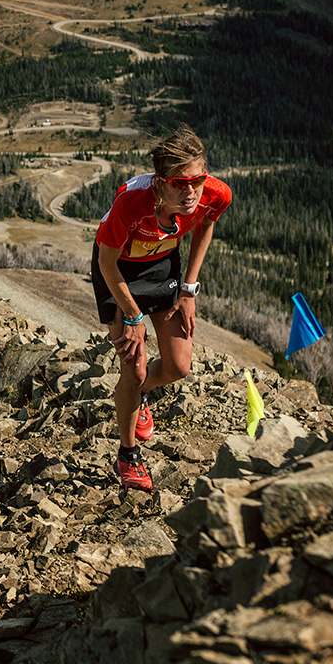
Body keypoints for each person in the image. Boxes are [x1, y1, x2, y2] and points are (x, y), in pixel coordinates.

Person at [91, 125, 231, 492]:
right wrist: (133, 316)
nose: (189, 192)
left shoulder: (215, 195)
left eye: (196, 180)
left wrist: (189, 289)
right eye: (178, 183)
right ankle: (127, 453)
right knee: (133, 368)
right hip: (119, 269)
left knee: (178, 366)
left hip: (161, 265)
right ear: (160, 181)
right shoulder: (132, 203)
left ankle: (139, 394)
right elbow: (106, 263)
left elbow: (205, 228)